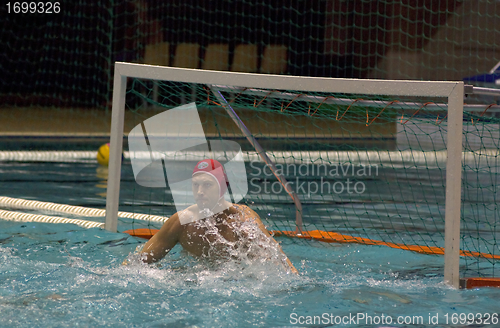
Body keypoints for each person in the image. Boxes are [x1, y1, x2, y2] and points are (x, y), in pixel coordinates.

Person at [128, 159, 298, 274]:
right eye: (196, 185)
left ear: (223, 187)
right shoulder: (181, 222)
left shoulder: (243, 219)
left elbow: (278, 260)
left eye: (207, 185)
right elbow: (136, 264)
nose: (200, 192)